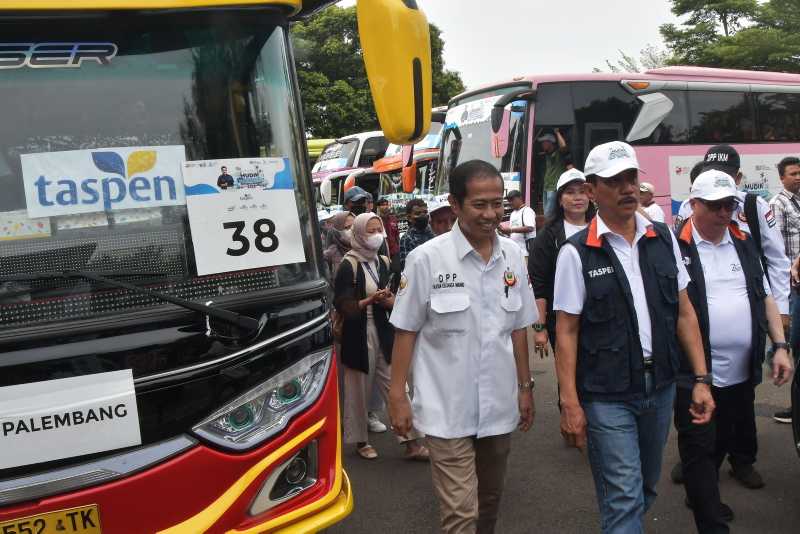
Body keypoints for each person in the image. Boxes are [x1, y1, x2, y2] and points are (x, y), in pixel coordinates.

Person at [553, 141, 715, 534]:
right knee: (625, 496)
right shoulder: (576, 253)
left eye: (631, 178)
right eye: (614, 181)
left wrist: (701, 379)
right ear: (592, 191)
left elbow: (684, 312)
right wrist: (570, 403)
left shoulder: (663, 238)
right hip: (607, 395)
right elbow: (566, 331)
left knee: (643, 487)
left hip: (659, 388)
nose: (627, 188)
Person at [389, 160, 537, 534]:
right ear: (455, 204)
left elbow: (518, 328)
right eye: (479, 205)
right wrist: (396, 396)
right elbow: (405, 330)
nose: (490, 214)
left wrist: (525, 389)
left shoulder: (514, 257)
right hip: (446, 409)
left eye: (497, 204)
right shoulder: (426, 259)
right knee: (461, 513)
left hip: (498, 407)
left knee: (489, 501)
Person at [673, 170, 794, 532]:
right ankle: (709, 516)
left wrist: (781, 345)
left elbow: (765, 294)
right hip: (694, 371)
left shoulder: (743, 241)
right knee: (698, 444)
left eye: (730, 205)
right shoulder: (673, 245)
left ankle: (702, 493)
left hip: (741, 369)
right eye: (715, 206)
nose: (725, 213)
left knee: (723, 438)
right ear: (694, 204)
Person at [334, 212, 428, 461]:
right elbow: (343, 305)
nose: (377, 236)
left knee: (397, 385)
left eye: (379, 230)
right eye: (370, 231)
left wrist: (387, 300)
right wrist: (368, 300)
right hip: (357, 334)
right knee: (358, 390)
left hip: (384, 331)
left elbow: (394, 299)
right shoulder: (349, 264)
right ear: (358, 234)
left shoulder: (383, 262)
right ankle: (360, 441)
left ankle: (412, 442)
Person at [675, 145, 791, 323]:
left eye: (724, 174)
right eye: (711, 172)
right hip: (701, 305)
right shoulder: (688, 207)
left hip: (753, 301)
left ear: (737, 178)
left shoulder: (755, 206)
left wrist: (781, 309)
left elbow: (776, 258)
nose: (717, 178)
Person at [529, 168, 595, 352]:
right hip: (562, 320)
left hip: (600, 317)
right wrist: (540, 328)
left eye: (582, 192)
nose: (578, 198)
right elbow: (539, 286)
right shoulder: (548, 237)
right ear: (559, 199)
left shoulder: (601, 228)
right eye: (570, 192)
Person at [768, 156, 800, 424]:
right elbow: (776, 249)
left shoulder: (797, 202)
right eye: (793, 174)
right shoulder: (777, 204)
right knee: (792, 344)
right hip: (791, 286)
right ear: (781, 177)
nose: (798, 177)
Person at [397, 198, 434, 271]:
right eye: (418, 213)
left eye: (425, 212)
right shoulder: (406, 239)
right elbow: (407, 268)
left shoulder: (434, 233)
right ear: (409, 218)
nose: (423, 215)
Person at [538, 128, 572, 205]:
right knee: (547, 213)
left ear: (550, 143)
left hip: (554, 189)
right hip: (546, 188)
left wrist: (557, 133)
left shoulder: (559, 154)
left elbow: (563, 146)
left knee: (549, 214)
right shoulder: (547, 155)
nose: (542, 144)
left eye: (544, 142)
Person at [501, 190, 536, 258]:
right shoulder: (513, 214)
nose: (510, 202)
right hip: (514, 253)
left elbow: (530, 228)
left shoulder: (527, 211)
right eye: (509, 200)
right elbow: (513, 232)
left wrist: (511, 230)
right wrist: (503, 231)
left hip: (525, 253)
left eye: (512, 199)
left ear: (520, 198)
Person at [323, 211, 354, 278]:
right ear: (337, 230)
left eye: (354, 226)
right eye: (347, 227)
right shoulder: (333, 250)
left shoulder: (364, 246)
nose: (351, 230)